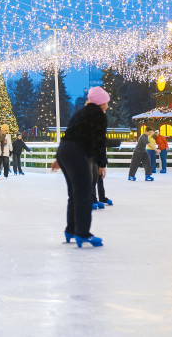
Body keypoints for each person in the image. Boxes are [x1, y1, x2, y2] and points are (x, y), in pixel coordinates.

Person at [52, 86, 110, 247]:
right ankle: (82, 233)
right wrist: (101, 164)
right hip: (77, 153)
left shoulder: (80, 113)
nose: (107, 105)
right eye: (106, 102)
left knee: (74, 193)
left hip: (65, 152)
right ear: (101, 102)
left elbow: (68, 134)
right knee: (84, 192)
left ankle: (71, 230)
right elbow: (99, 141)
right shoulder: (98, 115)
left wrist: (58, 157)